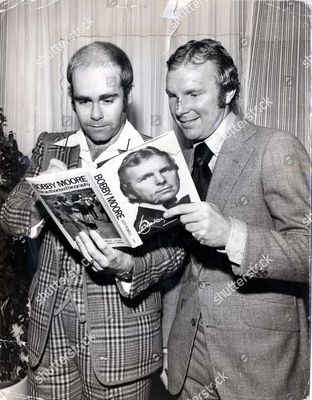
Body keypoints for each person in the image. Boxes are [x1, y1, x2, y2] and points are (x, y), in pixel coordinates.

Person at [0, 41, 185, 400]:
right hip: (49, 338)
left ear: (127, 94)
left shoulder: (157, 156)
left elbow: (176, 253)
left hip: (120, 345)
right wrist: (44, 196)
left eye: (107, 99)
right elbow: (9, 217)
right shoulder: (52, 147)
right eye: (84, 101)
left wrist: (128, 265)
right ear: (72, 99)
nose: (96, 113)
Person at [161, 39, 310, 400]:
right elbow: (184, 270)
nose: (181, 109)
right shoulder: (177, 161)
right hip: (189, 366)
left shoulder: (275, 147)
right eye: (173, 95)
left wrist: (231, 234)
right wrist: (169, 347)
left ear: (227, 92)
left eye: (194, 94)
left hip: (260, 369)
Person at [118, 146, 190, 237]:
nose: (161, 180)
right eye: (145, 178)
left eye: (165, 170)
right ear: (130, 193)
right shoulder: (148, 231)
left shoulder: (192, 203)